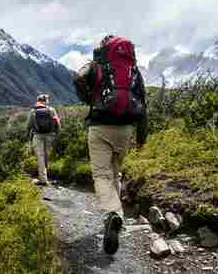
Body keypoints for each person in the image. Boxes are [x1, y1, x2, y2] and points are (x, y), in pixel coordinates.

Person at [74, 35, 148, 255]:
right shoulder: (132, 68)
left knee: (101, 175)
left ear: (103, 47)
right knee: (115, 174)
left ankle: (113, 214)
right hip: (125, 128)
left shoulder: (96, 64)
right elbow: (142, 102)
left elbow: (78, 78)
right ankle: (115, 215)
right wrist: (141, 138)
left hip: (100, 126)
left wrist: (90, 99)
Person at [26, 94, 61, 186]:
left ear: (38, 100)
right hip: (50, 135)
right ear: (46, 101)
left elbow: (28, 126)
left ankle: (43, 179)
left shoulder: (33, 111)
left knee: (40, 156)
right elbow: (58, 123)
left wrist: (28, 138)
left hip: (37, 136)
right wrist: (57, 134)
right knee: (46, 155)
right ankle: (45, 177)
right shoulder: (51, 110)